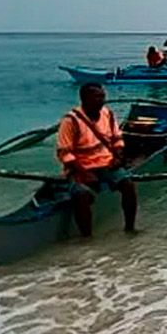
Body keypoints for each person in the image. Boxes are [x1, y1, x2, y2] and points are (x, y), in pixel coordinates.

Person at [55, 83, 138, 235]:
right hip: (81, 168)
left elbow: (117, 139)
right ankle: (87, 238)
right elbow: (64, 153)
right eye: (97, 97)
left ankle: (130, 229)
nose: (102, 101)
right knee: (82, 196)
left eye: (103, 97)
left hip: (107, 164)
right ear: (84, 99)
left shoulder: (108, 114)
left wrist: (118, 157)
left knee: (128, 185)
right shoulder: (70, 121)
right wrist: (84, 173)